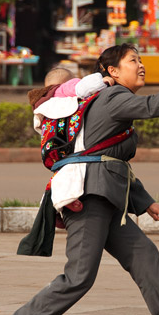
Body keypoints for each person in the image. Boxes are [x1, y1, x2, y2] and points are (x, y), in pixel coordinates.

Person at [0, 43, 159, 315]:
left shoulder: (106, 101)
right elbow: (151, 107)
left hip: (105, 197)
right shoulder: (113, 96)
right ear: (111, 72)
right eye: (133, 60)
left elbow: (111, 163)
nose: (140, 65)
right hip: (89, 197)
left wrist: (146, 203)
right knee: (80, 276)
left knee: (145, 257)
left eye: (140, 60)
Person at [29, 68, 115, 214]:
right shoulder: (64, 88)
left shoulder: (44, 101)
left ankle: (53, 199)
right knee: (76, 168)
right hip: (70, 141)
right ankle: (68, 198)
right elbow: (85, 87)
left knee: (62, 171)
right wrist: (103, 81)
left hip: (53, 146)